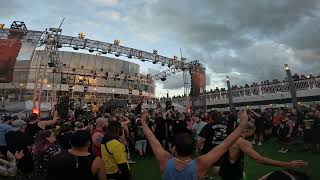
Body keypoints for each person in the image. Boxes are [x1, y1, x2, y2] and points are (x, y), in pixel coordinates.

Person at [141, 110, 249, 180]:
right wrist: (243, 124)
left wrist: (143, 122)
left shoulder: (165, 161)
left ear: (174, 148)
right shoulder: (200, 164)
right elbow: (225, 144)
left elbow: (151, 138)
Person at [219, 122, 308, 180]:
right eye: (253, 131)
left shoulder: (230, 136)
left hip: (225, 170)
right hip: (232, 173)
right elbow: (259, 159)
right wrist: (287, 164)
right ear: (249, 130)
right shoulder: (242, 142)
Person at [197, 110, 227, 176]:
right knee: (217, 168)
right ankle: (213, 176)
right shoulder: (225, 126)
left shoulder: (208, 126)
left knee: (205, 169)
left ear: (211, 117)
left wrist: (198, 149)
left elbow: (201, 140)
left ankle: (207, 176)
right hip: (221, 151)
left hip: (208, 151)